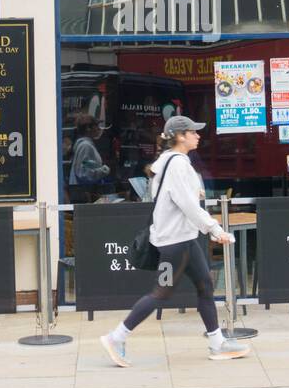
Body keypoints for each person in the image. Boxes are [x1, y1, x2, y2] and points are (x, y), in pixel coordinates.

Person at [100, 115, 250, 366]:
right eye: (193, 131)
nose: (198, 135)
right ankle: (117, 337)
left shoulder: (170, 162)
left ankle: (217, 342)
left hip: (185, 239)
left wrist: (195, 192)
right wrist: (215, 229)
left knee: (205, 285)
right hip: (175, 244)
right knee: (161, 293)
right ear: (180, 136)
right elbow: (187, 204)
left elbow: (178, 195)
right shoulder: (178, 164)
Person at [67, 114, 110, 203]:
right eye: (96, 126)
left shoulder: (86, 145)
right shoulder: (85, 146)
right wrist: (103, 170)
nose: (99, 128)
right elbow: (83, 173)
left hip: (84, 193)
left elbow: (87, 165)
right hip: (84, 195)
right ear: (88, 128)